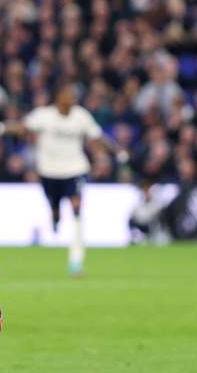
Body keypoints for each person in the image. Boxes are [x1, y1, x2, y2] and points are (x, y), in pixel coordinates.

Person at [14, 84, 128, 277]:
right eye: (67, 94)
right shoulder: (44, 115)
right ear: (58, 97)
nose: (71, 98)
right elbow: (23, 127)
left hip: (75, 170)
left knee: (77, 211)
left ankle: (76, 261)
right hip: (49, 172)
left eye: (73, 95)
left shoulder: (81, 116)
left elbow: (97, 136)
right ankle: (55, 215)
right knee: (55, 209)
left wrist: (117, 151)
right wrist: (1, 128)